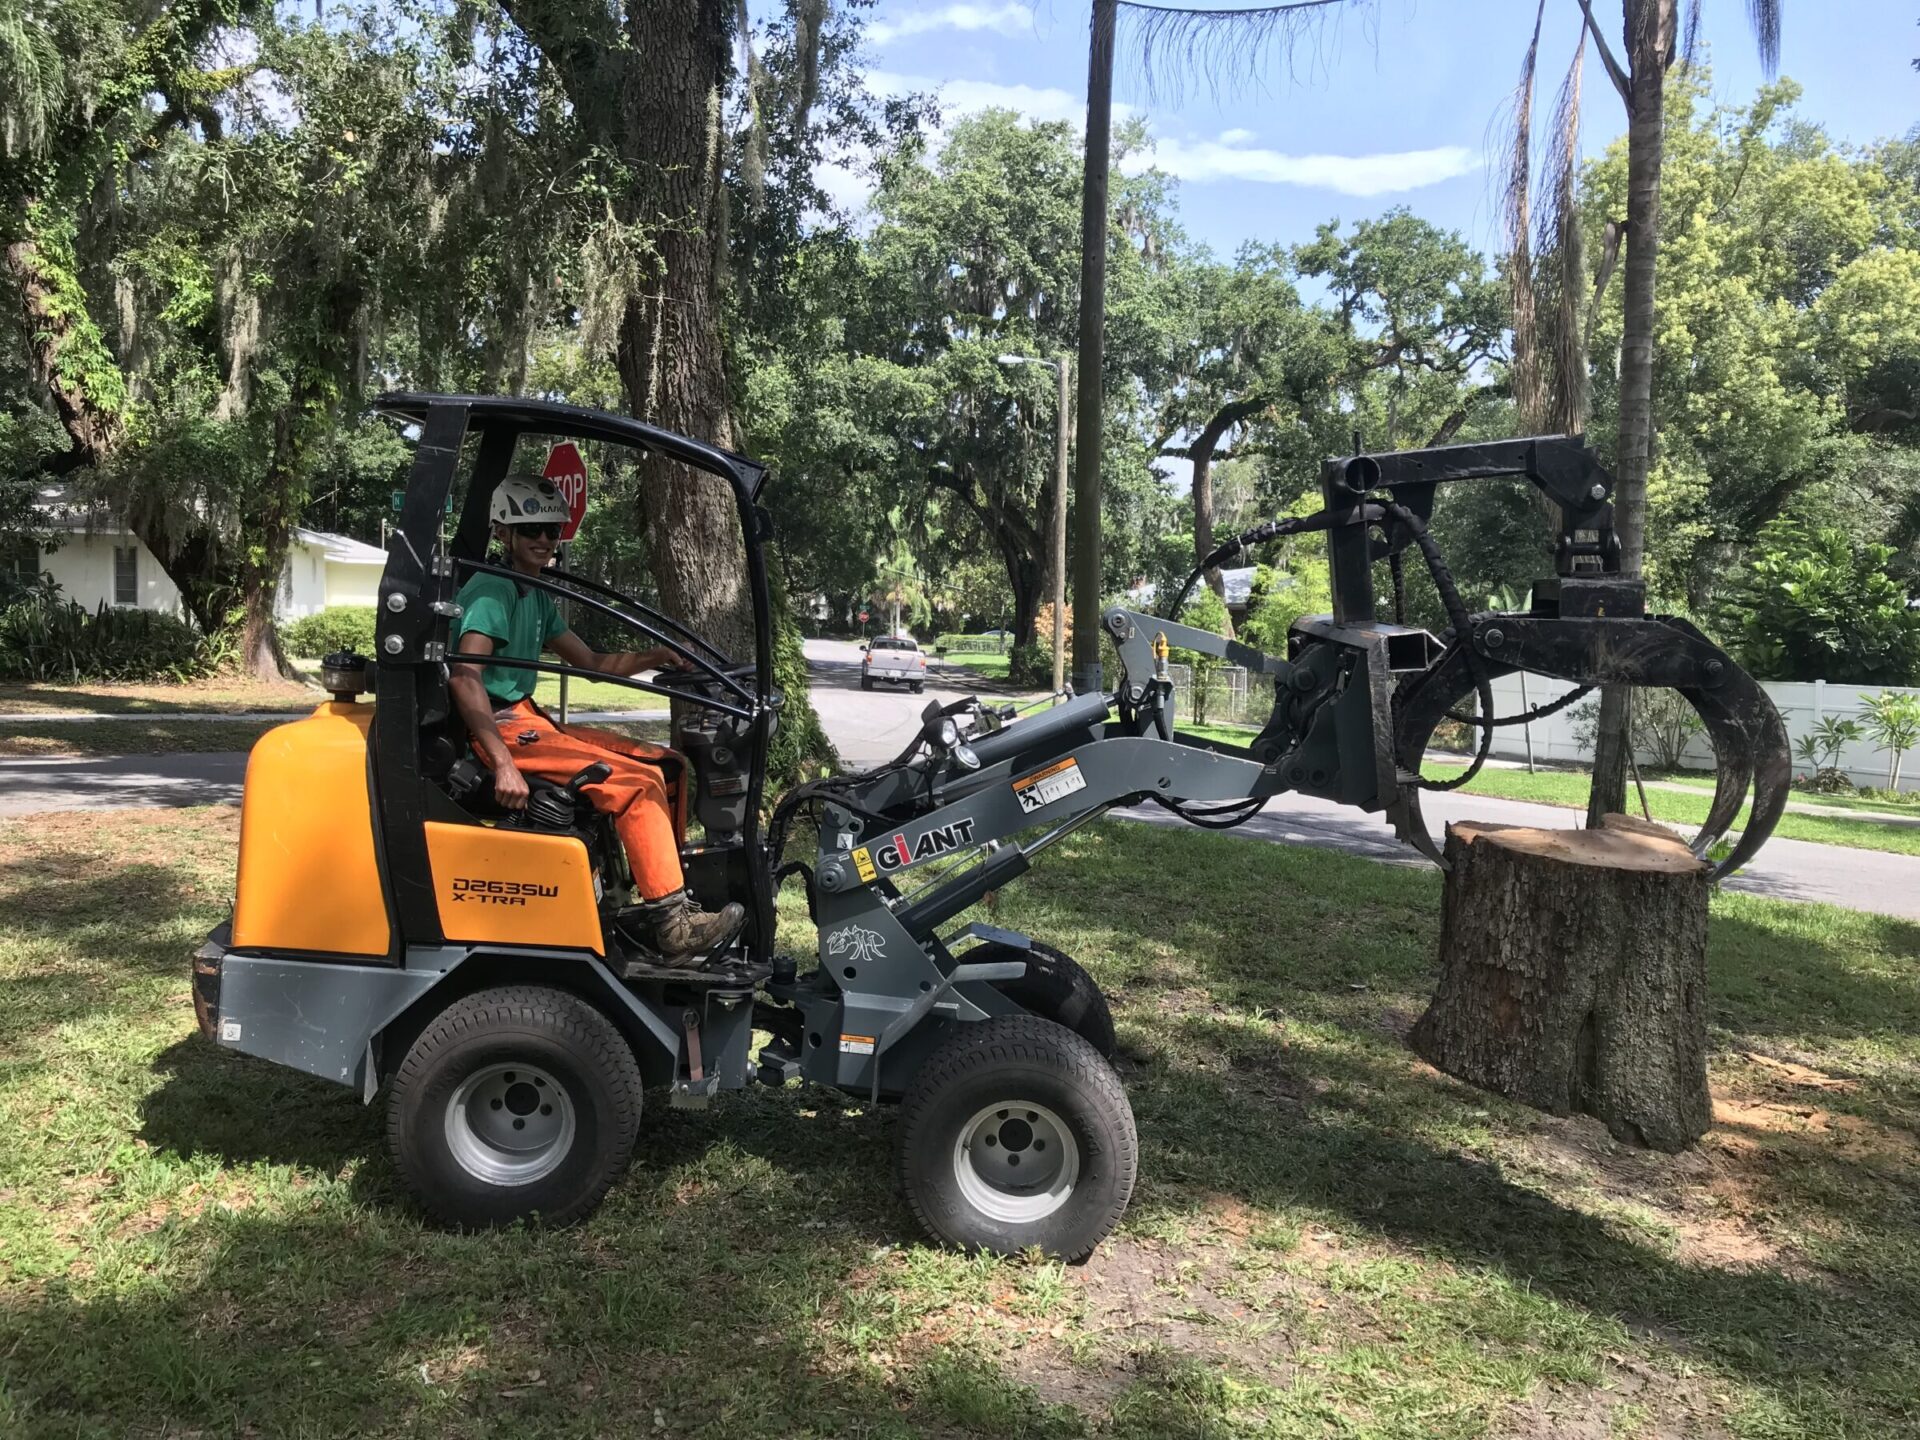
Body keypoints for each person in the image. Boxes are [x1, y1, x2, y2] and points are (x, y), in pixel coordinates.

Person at [448, 474, 746, 966]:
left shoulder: (535, 595)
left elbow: (590, 664)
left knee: (664, 765)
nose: (544, 539)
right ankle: (672, 926)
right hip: (498, 728)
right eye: (530, 531)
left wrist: (655, 655)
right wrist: (502, 764)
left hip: (528, 717)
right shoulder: (492, 592)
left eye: (551, 529)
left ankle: (663, 896)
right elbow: (464, 678)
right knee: (632, 783)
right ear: (503, 533)